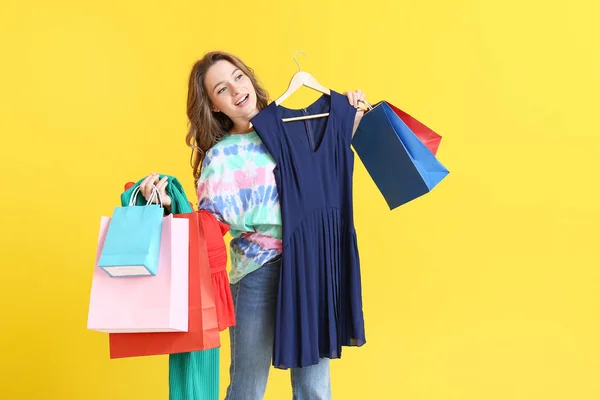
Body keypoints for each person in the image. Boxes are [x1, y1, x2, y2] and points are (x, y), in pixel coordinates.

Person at [138, 50, 367, 400]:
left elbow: (332, 159)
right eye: (221, 89)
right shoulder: (222, 156)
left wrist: (352, 113)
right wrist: (170, 202)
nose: (236, 90)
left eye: (238, 77)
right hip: (258, 272)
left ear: (249, 77)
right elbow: (209, 226)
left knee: (314, 389)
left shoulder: (299, 124)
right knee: (247, 388)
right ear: (214, 106)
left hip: (310, 266)